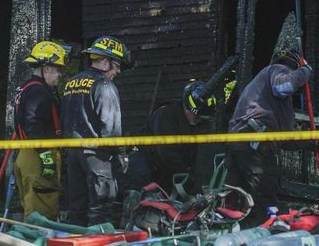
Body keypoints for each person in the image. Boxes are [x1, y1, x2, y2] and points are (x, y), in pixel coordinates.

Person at [226, 48, 314, 225]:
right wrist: (305, 71)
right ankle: (267, 234)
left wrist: (307, 143)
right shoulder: (277, 70)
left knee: (240, 200)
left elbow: (283, 138)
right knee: (265, 193)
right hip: (253, 140)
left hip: (244, 141)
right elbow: (284, 86)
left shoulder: (269, 99)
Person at [61, 36, 131, 226]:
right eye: (117, 67)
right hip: (97, 157)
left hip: (73, 155)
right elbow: (111, 127)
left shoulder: (71, 83)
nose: (117, 72)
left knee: (77, 212)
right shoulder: (104, 85)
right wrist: (122, 155)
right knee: (101, 212)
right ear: (106, 62)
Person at [126, 80, 218, 194]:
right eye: (196, 116)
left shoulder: (200, 121)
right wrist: (185, 175)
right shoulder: (165, 115)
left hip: (168, 169)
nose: (198, 120)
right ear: (187, 107)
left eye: (202, 118)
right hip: (145, 164)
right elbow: (166, 152)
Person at [13, 40, 69, 220]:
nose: (60, 74)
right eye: (58, 69)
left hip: (26, 155)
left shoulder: (27, 89)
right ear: (46, 69)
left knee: (32, 209)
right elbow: (33, 125)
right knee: (42, 212)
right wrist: (46, 156)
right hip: (38, 157)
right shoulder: (38, 92)